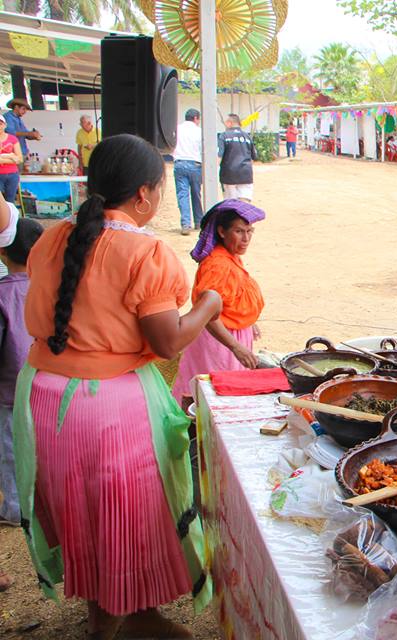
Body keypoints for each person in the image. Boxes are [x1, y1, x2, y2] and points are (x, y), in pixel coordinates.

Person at [13, 134, 222, 638]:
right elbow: (167, 341)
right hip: (105, 408)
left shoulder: (51, 236)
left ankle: (132, 612)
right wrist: (209, 304)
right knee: (123, 515)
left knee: (80, 512)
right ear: (145, 196)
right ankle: (107, 627)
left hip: (43, 397)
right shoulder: (145, 251)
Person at [172, 199, 265, 406]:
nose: (246, 238)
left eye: (250, 231)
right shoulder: (218, 265)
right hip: (217, 342)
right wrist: (236, 347)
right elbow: (206, 315)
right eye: (239, 231)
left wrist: (248, 321)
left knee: (215, 396)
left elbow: (230, 300)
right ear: (222, 232)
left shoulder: (230, 256)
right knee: (212, 396)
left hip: (227, 337)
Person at [0, 216, 42, 592]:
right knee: (41, 444)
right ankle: (43, 502)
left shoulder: (1, 292)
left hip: (9, 389)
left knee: (12, 450)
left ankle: (15, 507)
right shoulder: (49, 288)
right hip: (46, 386)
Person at [174, 108, 203, 235]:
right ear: (196, 118)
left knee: (182, 194)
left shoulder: (177, 129)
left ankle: (186, 224)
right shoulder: (199, 131)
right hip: (195, 164)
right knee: (196, 193)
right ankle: (199, 222)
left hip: (179, 163)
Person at [218, 114, 257, 202]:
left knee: (231, 205)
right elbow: (253, 157)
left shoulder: (224, 136)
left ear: (229, 123)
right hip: (246, 175)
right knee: (244, 204)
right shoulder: (247, 137)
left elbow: (219, 155)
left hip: (229, 175)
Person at [0, 113, 23, 203]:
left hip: (12, 174)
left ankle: (10, 217)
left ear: (5, 125)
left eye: (1, 124)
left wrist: (3, 159)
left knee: (10, 200)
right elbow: (16, 159)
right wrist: (12, 157)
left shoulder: (12, 139)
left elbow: (20, 159)